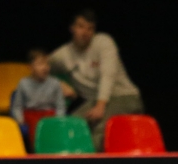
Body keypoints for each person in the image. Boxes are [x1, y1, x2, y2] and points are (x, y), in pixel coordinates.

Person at [49, 9, 143, 150]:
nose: (85, 32)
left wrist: (100, 105)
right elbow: (40, 67)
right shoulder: (63, 55)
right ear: (72, 28)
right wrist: (57, 83)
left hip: (124, 97)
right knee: (70, 125)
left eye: (90, 28)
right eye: (81, 26)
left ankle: (92, 162)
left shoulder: (104, 42)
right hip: (94, 102)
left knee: (100, 128)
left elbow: (108, 75)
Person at [11, 49, 67, 126]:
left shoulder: (55, 83)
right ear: (30, 67)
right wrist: (20, 119)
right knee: (36, 125)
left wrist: (58, 120)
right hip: (31, 113)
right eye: (40, 64)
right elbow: (17, 106)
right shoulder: (23, 83)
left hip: (49, 114)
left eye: (47, 64)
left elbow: (60, 106)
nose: (45, 67)